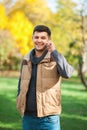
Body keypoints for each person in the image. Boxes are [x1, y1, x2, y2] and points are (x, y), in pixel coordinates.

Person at [16, 25, 74, 130]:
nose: (39, 40)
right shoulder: (26, 59)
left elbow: (67, 73)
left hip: (49, 118)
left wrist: (54, 51)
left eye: (43, 38)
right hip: (28, 117)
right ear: (32, 38)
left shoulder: (55, 57)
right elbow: (21, 82)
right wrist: (19, 99)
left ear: (49, 40)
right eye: (36, 37)